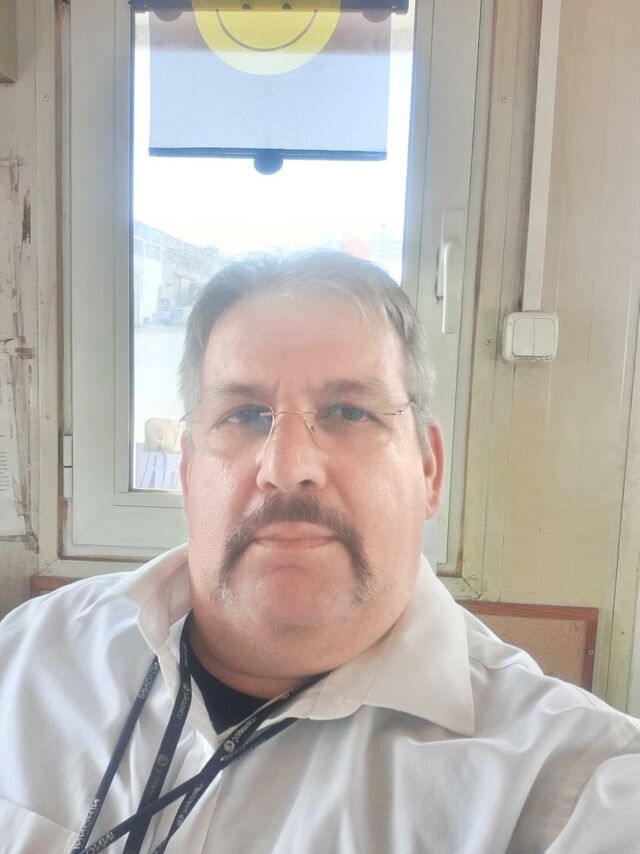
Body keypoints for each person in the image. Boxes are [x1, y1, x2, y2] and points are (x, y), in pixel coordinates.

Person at [0, 250, 638, 853]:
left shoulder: (574, 788)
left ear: (428, 469)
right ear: (189, 473)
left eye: (348, 412)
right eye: (244, 415)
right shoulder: (31, 653)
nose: (286, 467)